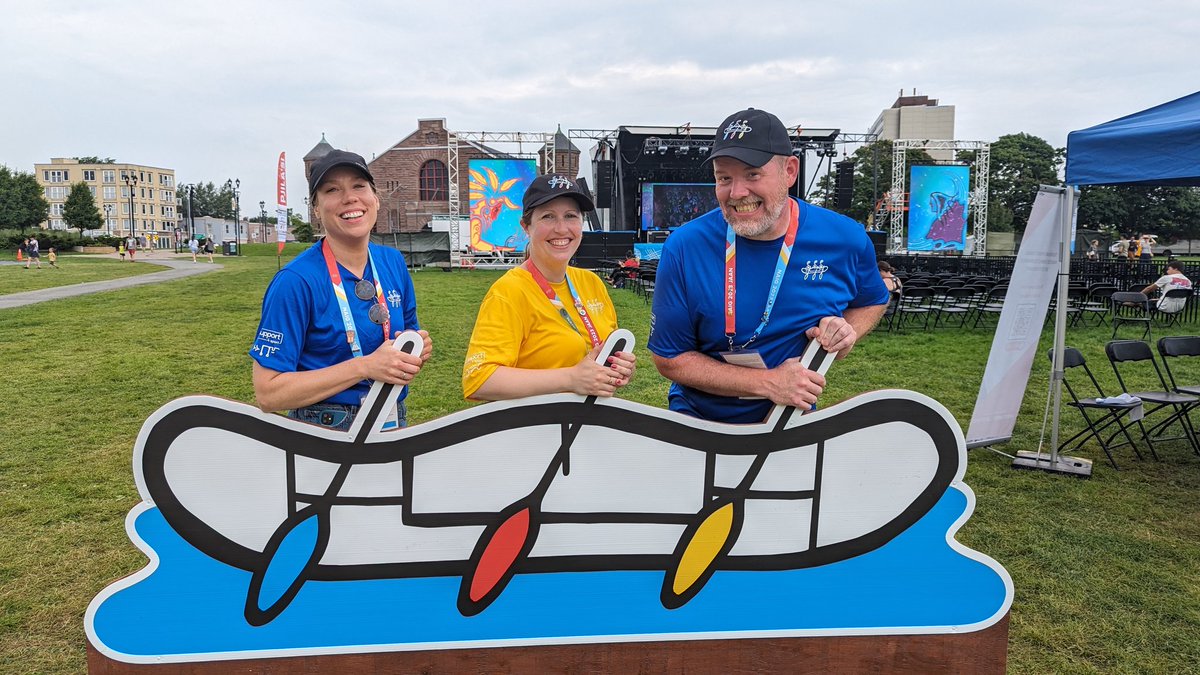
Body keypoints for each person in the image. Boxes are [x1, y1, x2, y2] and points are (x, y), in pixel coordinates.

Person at [649, 108, 890, 424]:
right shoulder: (685, 246)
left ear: (789, 171)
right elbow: (670, 359)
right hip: (698, 424)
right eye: (724, 178)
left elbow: (873, 299)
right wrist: (768, 382)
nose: (737, 193)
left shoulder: (845, 238)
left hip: (790, 421)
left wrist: (847, 332)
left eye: (752, 174)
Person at [249, 149, 432, 431]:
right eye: (332, 190)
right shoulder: (295, 281)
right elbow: (268, 393)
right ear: (316, 209)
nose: (349, 198)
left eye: (359, 186)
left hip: (391, 419)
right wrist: (365, 366)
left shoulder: (393, 262)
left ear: (376, 198)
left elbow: (403, 339)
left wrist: (413, 350)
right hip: (323, 430)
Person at [462, 174, 636, 401]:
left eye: (571, 216)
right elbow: (478, 380)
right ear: (526, 226)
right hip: (537, 431)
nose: (562, 228)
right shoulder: (509, 291)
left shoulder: (591, 283)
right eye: (548, 217)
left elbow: (595, 356)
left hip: (589, 428)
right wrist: (572, 378)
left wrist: (616, 367)